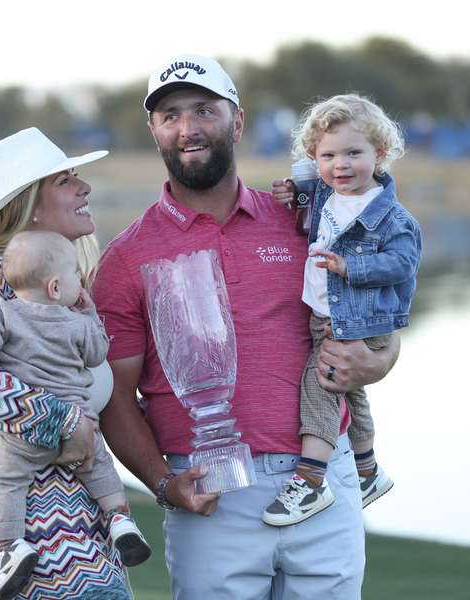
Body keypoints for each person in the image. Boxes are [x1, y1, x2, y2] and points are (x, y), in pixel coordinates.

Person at [93, 54, 401, 599]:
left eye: (204, 111)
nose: (188, 128)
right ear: (155, 131)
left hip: (323, 475)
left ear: (236, 123)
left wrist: (384, 355)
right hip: (210, 488)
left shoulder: (305, 222)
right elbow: (113, 396)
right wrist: (164, 484)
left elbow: (371, 314)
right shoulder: (127, 258)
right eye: (170, 115)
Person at [0, 127, 133, 600]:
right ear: (29, 203)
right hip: (29, 506)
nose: (84, 187)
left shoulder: (69, 283)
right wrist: (63, 420)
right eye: (66, 180)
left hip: (85, 501)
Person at [0, 230, 151, 599]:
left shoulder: (1, 311)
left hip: (25, 435)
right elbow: (97, 354)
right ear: (54, 287)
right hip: (80, 422)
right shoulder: (74, 321)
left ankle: (11, 545)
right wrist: (91, 314)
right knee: (99, 469)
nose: (81, 283)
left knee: (6, 480)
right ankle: (120, 519)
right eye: (76, 276)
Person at [263, 94, 422, 527]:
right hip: (325, 315)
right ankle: (367, 470)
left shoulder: (391, 217)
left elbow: (404, 263)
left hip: (357, 317)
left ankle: (311, 481)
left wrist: (352, 267)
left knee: (321, 385)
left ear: (380, 154)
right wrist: (294, 192)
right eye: (328, 156)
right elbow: (312, 197)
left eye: (354, 153)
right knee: (351, 391)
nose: (341, 165)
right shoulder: (326, 194)